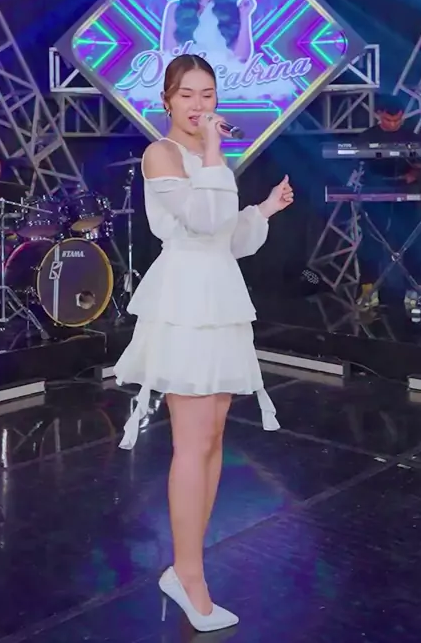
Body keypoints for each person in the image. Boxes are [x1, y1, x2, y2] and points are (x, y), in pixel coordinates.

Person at [113, 53, 293, 632]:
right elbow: (200, 219)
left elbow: (225, 235)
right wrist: (215, 151)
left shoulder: (209, 159)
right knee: (192, 442)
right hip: (186, 300)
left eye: (208, 94)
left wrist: (264, 209)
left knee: (212, 438)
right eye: (187, 94)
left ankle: (189, 569)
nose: (199, 105)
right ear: (166, 100)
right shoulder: (161, 154)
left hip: (219, 295)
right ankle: (188, 575)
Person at [356, 95, 421, 306]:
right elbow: (356, 164)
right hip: (374, 190)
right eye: (388, 120)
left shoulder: (412, 137)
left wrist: (414, 173)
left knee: (410, 240)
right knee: (370, 241)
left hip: (404, 191)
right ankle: (368, 290)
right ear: (378, 114)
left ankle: (414, 291)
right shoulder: (367, 137)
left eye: (397, 120)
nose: (393, 125)